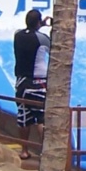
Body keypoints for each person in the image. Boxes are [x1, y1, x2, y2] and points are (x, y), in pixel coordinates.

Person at [11, 9, 50, 153]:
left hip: (21, 83)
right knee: (41, 118)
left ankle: (24, 151)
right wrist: (45, 27)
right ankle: (44, 152)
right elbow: (52, 49)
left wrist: (39, 25)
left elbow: (28, 31)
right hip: (38, 82)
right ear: (39, 22)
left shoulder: (17, 35)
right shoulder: (42, 38)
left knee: (23, 117)